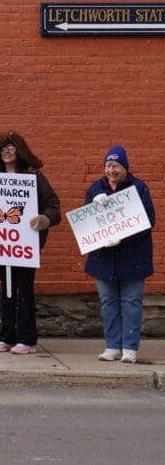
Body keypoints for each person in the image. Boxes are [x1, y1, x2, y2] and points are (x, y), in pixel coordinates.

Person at [0, 131, 61, 355]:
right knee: (7, 289)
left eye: (11, 148)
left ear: (19, 151)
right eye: (2, 148)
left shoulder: (34, 177)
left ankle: (27, 338)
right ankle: (7, 336)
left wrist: (44, 219)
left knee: (25, 289)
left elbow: (53, 205)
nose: (7, 152)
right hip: (1, 244)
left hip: (26, 245)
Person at [84, 146, 156, 363]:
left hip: (133, 257)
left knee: (131, 302)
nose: (112, 170)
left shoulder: (138, 188)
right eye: (108, 166)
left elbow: (148, 220)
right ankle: (112, 345)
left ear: (125, 167)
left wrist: (122, 236)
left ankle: (130, 348)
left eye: (116, 166)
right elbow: (85, 221)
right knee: (108, 302)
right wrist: (92, 205)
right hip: (104, 258)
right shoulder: (97, 187)